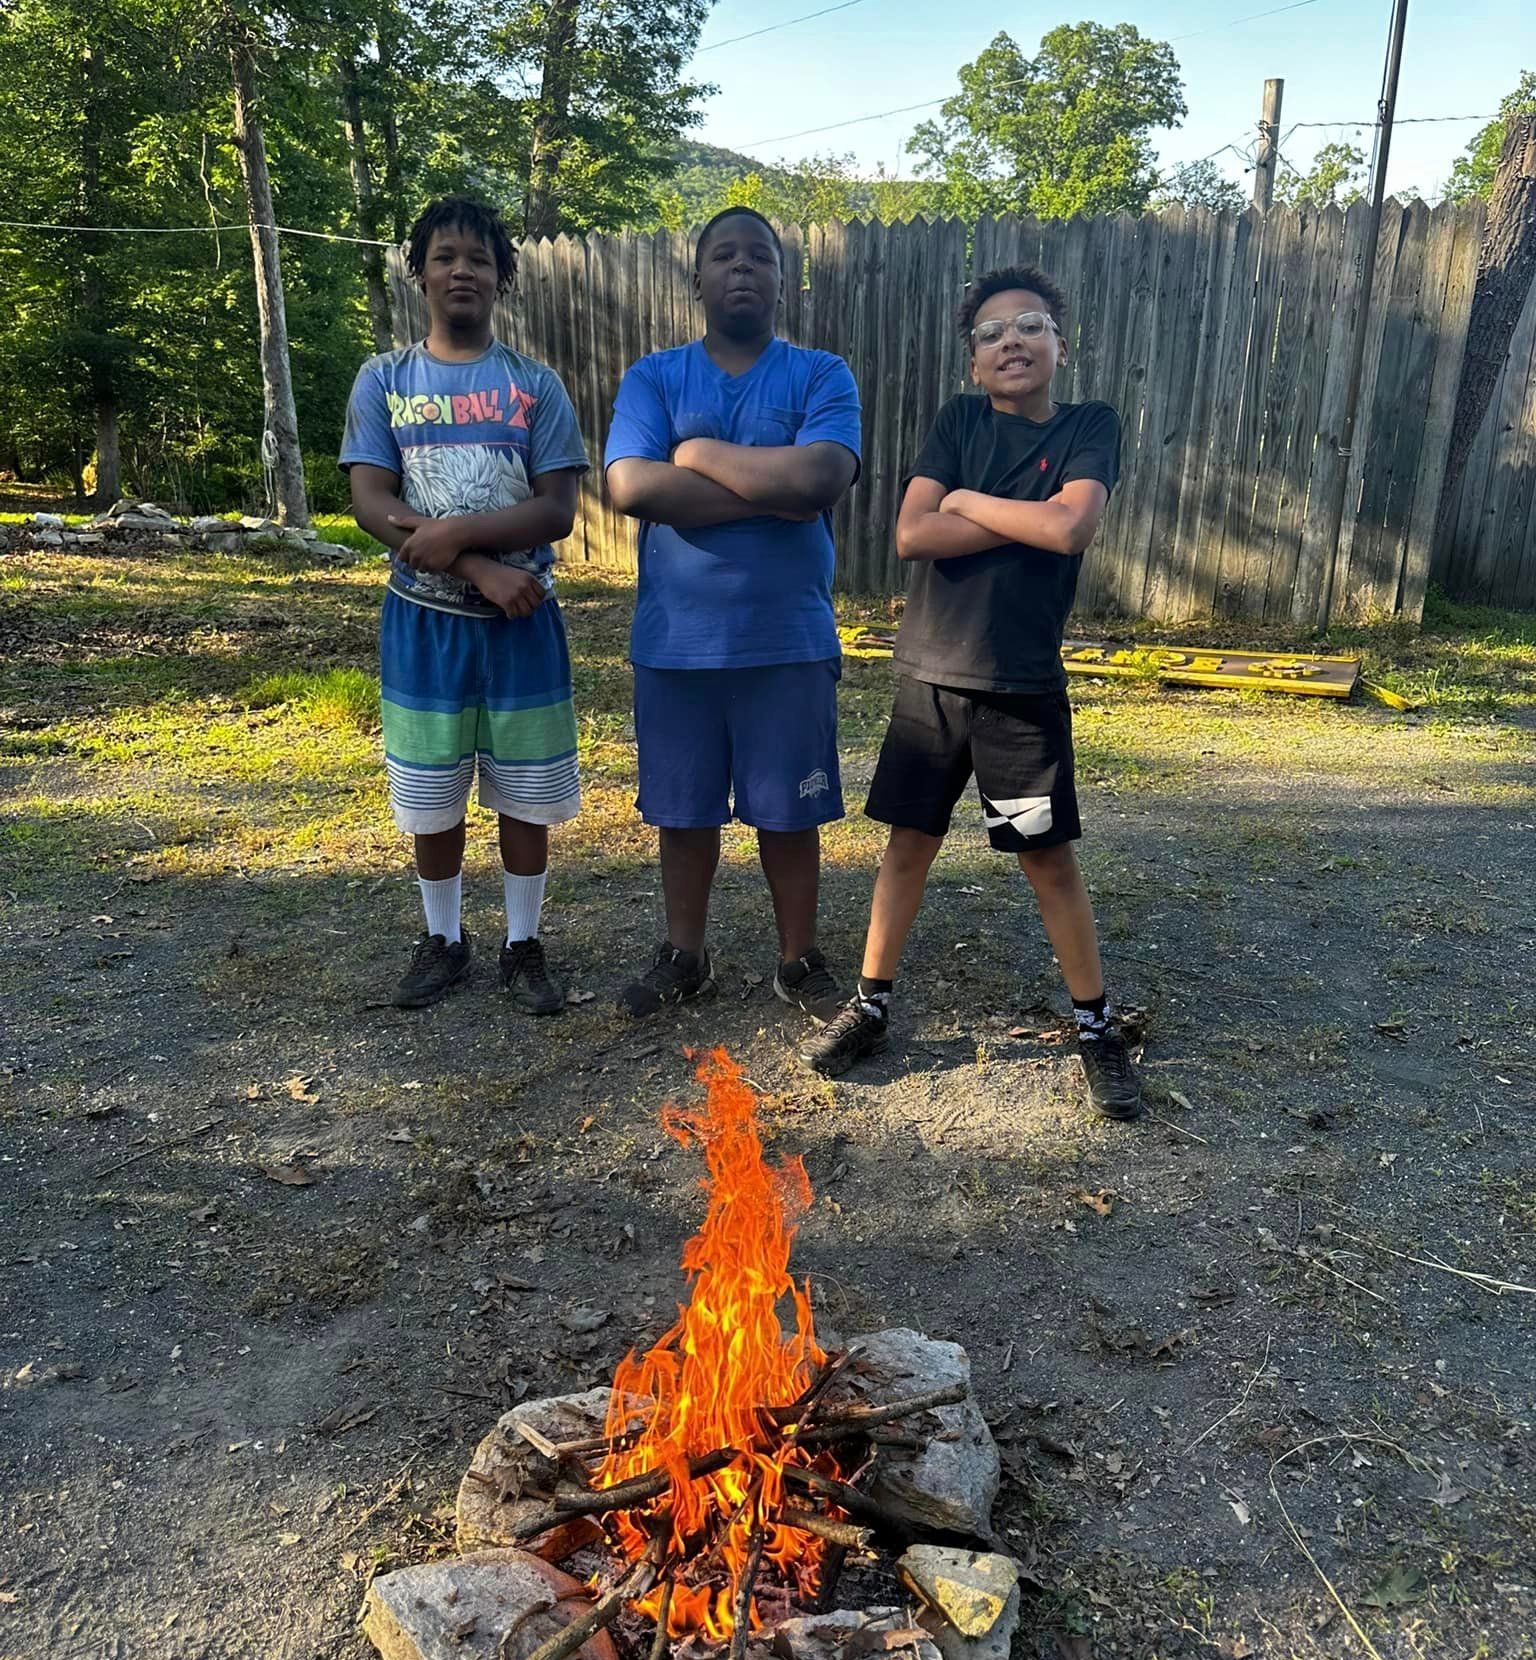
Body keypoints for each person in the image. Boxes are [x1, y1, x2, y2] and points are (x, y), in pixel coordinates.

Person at [801, 264, 1144, 1120]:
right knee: (907, 846)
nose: (1011, 342)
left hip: (1019, 696)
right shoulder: (957, 420)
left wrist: (969, 500)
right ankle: (871, 1005)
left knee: (1045, 860)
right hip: (930, 687)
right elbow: (915, 533)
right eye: (991, 334)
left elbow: (1070, 528)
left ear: (1060, 347)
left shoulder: (1089, 426)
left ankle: (1097, 1030)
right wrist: (1013, 508)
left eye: (1029, 326)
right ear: (972, 362)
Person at [604, 206, 862, 1021]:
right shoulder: (655, 376)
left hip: (786, 639)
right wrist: (766, 491)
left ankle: (799, 959)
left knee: (790, 812)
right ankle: (686, 954)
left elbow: (819, 481)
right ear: (698, 280)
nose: (742, 267)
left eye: (760, 257)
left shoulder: (822, 375)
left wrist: (699, 457)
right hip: (676, 645)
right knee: (681, 813)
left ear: (785, 281)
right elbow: (632, 488)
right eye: (724, 255)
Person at [341, 195, 586, 1014]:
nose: (461, 271)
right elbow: (372, 500)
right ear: (419, 272)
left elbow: (557, 508)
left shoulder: (534, 385)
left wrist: (466, 543)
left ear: (503, 277)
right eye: (445, 256)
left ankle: (523, 945)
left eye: (479, 259)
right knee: (432, 792)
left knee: (524, 790)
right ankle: (443, 939)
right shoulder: (384, 380)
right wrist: (480, 563)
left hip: (523, 624)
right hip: (425, 625)